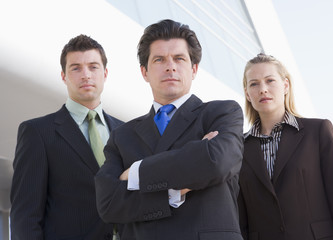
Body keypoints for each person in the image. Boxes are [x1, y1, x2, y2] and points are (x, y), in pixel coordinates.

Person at [95, 19, 244, 240]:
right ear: (144, 72)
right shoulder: (122, 136)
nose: (170, 66)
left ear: (193, 69)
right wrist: (177, 188)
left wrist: (137, 173)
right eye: (159, 59)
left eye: (179, 58)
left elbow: (217, 162)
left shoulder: (222, 113)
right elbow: (108, 204)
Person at [10, 34, 123, 240]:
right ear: (64, 76)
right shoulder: (37, 133)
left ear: (105, 73)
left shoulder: (127, 132)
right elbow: (24, 216)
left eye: (93, 66)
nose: (86, 75)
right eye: (76, 68)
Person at [237, 53, 333, 239]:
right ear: (247, 93)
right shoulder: (239, 147)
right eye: (254, 84)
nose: (263, 89)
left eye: (270, 80)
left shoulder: (318, 132)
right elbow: (240, 217)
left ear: (285, 85)